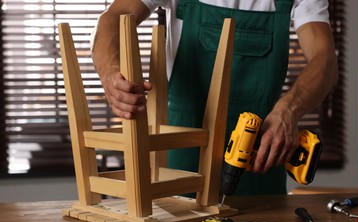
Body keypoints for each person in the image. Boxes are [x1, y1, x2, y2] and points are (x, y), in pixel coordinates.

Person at [91, 0, 338, 195]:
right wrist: (111, 73)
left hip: (260, 161)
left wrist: (289, 109)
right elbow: (113, 18)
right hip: (182, 165)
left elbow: (325, 60)